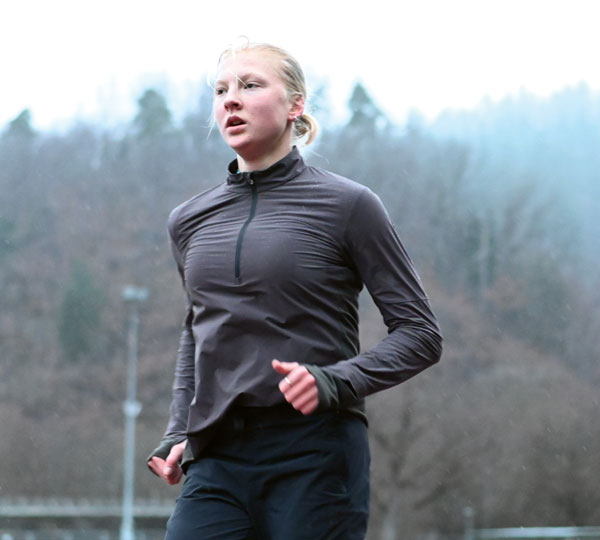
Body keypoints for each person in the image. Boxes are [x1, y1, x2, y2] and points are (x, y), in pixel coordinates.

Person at [146, 41, 442, 540]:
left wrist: (335, 380)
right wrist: (180, 428)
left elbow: (420, 334)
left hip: (317, 453)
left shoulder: (349, 206)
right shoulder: (188, 220)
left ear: (296, 105)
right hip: (217, 457)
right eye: (221, 90)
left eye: (250, 85)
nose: (230, 100)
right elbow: (198, 333)